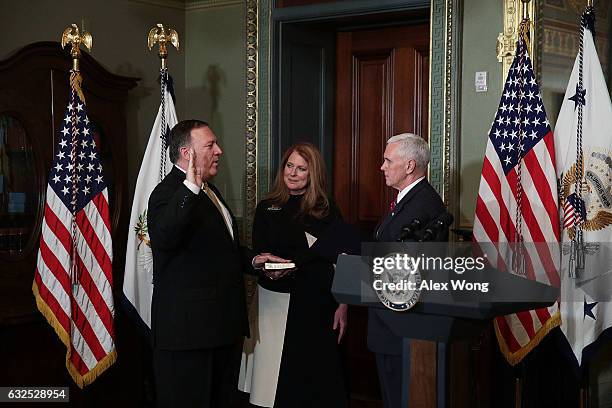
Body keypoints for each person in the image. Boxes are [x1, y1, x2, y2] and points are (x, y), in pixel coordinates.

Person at [147, 120, 287, 408]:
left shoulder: (211, 191)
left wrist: (255, 261)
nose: (219, 151)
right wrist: (190, 188)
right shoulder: (167, 193)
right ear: (187, 153)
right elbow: (164, 237)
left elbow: (221, 251)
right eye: (210, 145)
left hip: (220, 329)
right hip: (188, 336)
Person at [238, 143, 350, 408]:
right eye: (290, 166)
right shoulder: (267, 208)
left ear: (313, 174)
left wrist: (344, 305)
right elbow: (259, 253)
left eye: (301, 168)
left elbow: (343, 259)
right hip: (273, 302)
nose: (293, 173)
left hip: (317, 304)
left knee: (314, 382)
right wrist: (268, 269)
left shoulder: (327, 209)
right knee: (273, 385)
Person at [369, 133, 447, 408]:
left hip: (403, 324)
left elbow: (414, 266)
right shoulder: (407, 200)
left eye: (388, 160)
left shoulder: (425, 204)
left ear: (410, 165)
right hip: (389, 320)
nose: (382, 166)